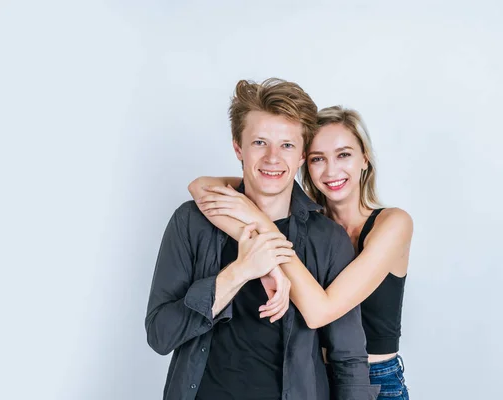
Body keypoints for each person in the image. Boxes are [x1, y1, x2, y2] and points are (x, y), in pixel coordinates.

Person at [145, 79, 379, 400]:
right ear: (238, 147)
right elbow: (160, 335)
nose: (272, 158)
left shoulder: (328, 240)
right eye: (259, 142)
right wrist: (240, 271)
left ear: (301, 155)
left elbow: (348, 359)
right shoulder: (190, 222)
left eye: (286, 145)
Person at [189, 105, 413, 399]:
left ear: (365, 159)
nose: (331, 170)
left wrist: (259, 224)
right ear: (304, 162)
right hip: (310, 377)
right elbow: (201, 187)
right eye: (319, 158)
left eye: (343, 154)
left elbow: (320, 312)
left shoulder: (393, 223)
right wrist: (264, 254)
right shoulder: (311, 226)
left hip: (373, 381)